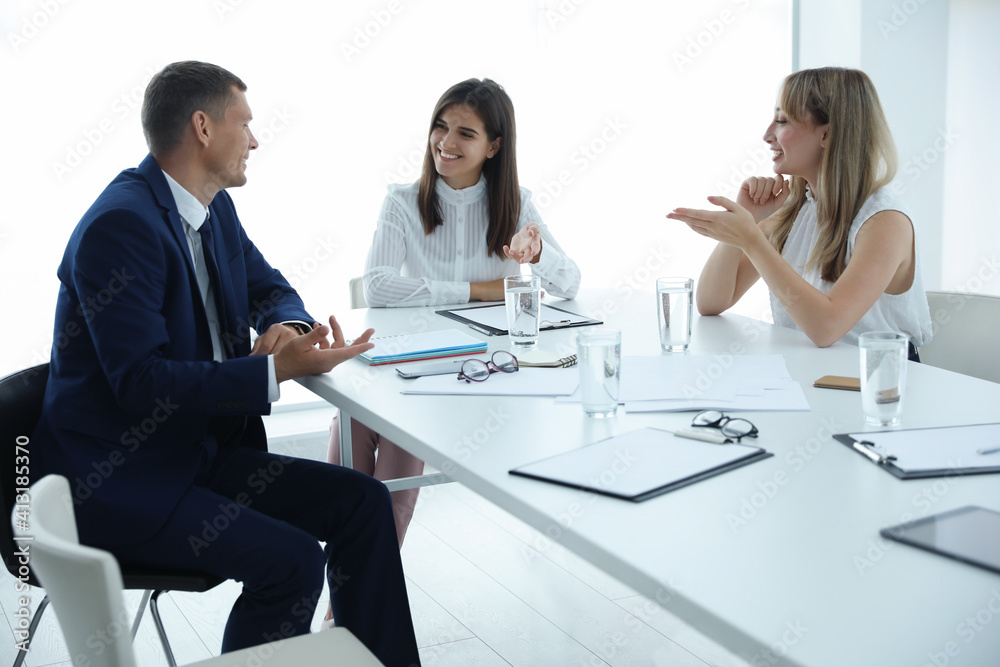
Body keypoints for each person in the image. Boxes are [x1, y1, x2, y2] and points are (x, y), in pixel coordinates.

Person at [31, 61, 420, 666]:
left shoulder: (210, 208)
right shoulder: (121, 226)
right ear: (203, 127)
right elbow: (140, 384)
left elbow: (271, 288)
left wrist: (287, 330)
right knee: (292, 562)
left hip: (198, 455)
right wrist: (274, 372)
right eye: (246, 123)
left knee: (364, 502)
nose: (256, 140)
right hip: (126, 480)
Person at [326, 77, 581, 548]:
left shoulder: (516, 202)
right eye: (440, 127)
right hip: (414, 365)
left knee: (393, 473)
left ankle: (359, 583)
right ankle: (348, 582)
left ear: (494, 146)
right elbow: (378, 285)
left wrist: (538, 252)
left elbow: (570, 285)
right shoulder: (402, 201)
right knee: (355, 423)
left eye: (465, 133)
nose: (445, 142)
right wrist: (478, 291)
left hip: (486, 373)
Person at [667, 67, 931, 357]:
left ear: (827, 134)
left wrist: (751, 240)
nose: (768, 135)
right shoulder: (796, 208)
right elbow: (711, 302)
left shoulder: (885, 221)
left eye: (782, 121)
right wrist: (744, 222)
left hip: (880, 376)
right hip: (812, 370)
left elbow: (827, 328)